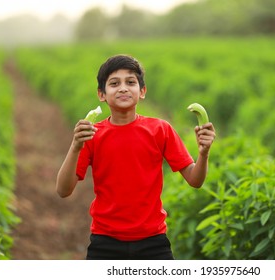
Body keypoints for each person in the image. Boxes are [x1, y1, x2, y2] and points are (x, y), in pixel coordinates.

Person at [56, 54, 216, 260]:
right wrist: (76, 145)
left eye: (130, 82)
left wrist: (204, 153)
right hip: (105, 242)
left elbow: (195, 180)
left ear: (142, 91)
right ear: (101, 94)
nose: (123, 88)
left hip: (153, 242)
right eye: (114, 83)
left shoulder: (161, 130)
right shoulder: (92, 134)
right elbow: (63, 190)